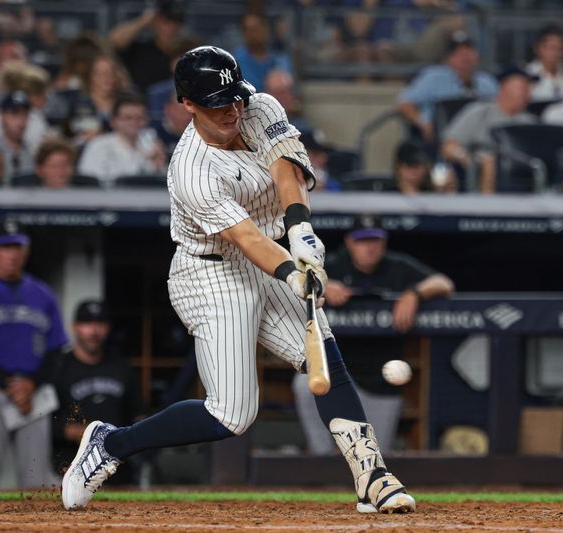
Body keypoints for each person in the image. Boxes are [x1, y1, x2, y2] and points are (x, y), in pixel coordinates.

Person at [61, 45, 417, 514]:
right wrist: (293, 269)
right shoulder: (191, 171)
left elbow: (285, 167)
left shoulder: (258, 105)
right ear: (186, 104)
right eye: (216, 103)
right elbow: (245, 238)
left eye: (234, 98)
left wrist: (300, 229)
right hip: (210, 273)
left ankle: (372, 477)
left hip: (269, 252)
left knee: (324, 362)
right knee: (233, 415)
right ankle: (111, 444)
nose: (231, 110)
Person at [293, 214, 454, 456]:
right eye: (362, 240)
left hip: (382, 378)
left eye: (375, 240)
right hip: (339, 372)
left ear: (384, 242)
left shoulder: (398, 267)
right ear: (349, 242)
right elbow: (294, 282)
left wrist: (414, 294)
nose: (369, 247)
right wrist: (322, 285)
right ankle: (321, 462)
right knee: (304, 384)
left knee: (376, 457)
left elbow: (444, 283)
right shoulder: (332, 266)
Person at [0, 220, 68, 487]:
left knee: (35, 480)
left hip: (33, 391)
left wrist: (31, 384)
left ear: (26, 250)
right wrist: (8, 385)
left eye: (17, 246)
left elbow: (56, 349)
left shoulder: (43, 294)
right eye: (5, 246)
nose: (12, 253)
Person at [47, 300, 145, 482]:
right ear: (75, 327)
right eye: (87, 323)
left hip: (118, 467)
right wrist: (76, 432)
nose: (94, 331)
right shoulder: (58, 368)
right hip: (71, 466)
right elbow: (44, 422)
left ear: (107, 328)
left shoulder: (122, 368)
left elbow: (139, 416)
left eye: (99, 323)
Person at [440, 66, 536, 193]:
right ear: (504, 88)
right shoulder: (480, 111)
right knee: (489, 160)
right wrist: (466, 158)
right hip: (480, 164)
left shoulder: (530, 121)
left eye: (529, 89)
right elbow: (448, 146)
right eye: (523, 88)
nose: (528, 93)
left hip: (522, 169)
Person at [397, 31, 498, 144]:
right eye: (458, 53)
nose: (465, 57)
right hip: (439, 139)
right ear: (448, 58)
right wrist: (424, 123)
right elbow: (405, 103)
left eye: (468, 51)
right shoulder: (434, 77)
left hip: (479, 140)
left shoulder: (486, 81)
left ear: (476, 56)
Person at [77, 93, 167, 186]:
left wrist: (158, 166)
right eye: (128, 118)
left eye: (140, 118)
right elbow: (89, 183)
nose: (134, 122)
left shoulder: (151, 146)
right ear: (113, 121)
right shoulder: (98, 146)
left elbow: (162, 184)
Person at [108, 0, 188, 93]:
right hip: (141, 104)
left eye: (175, 24)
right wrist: (144, 20)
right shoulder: (141, 50)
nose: (171, 28)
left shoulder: (185, 53)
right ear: (155, 22)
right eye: (165, 23)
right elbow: (114, 41)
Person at [233, 11, 294, 93]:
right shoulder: (236, 62)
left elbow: (290, 90)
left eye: (255, 29)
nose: (251, 34)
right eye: (247, 30)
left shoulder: (281, 59)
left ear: (265, 30)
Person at [0, 90, 36, 184]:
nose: (21, 120)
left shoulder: (33, 152)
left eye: (25, 114)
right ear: (1, 116)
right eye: (14, 113)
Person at [526, 25, 563, 103]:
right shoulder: (527, 73)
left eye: (560, 49)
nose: (556, 53)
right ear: (538, 48)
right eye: (552, 48)